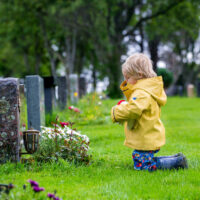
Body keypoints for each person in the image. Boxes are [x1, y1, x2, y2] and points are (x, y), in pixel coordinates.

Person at [111, 53, 188, 171]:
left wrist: (116, 111)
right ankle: (174, 158)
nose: (125, 81)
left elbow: (133, 110)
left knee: (143, 165)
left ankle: (176, 162)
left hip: (146, 134)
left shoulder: (142, 93)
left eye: (128, 78)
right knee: (140, 159)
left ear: (139, 75)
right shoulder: (145, 90)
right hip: (148, 133)